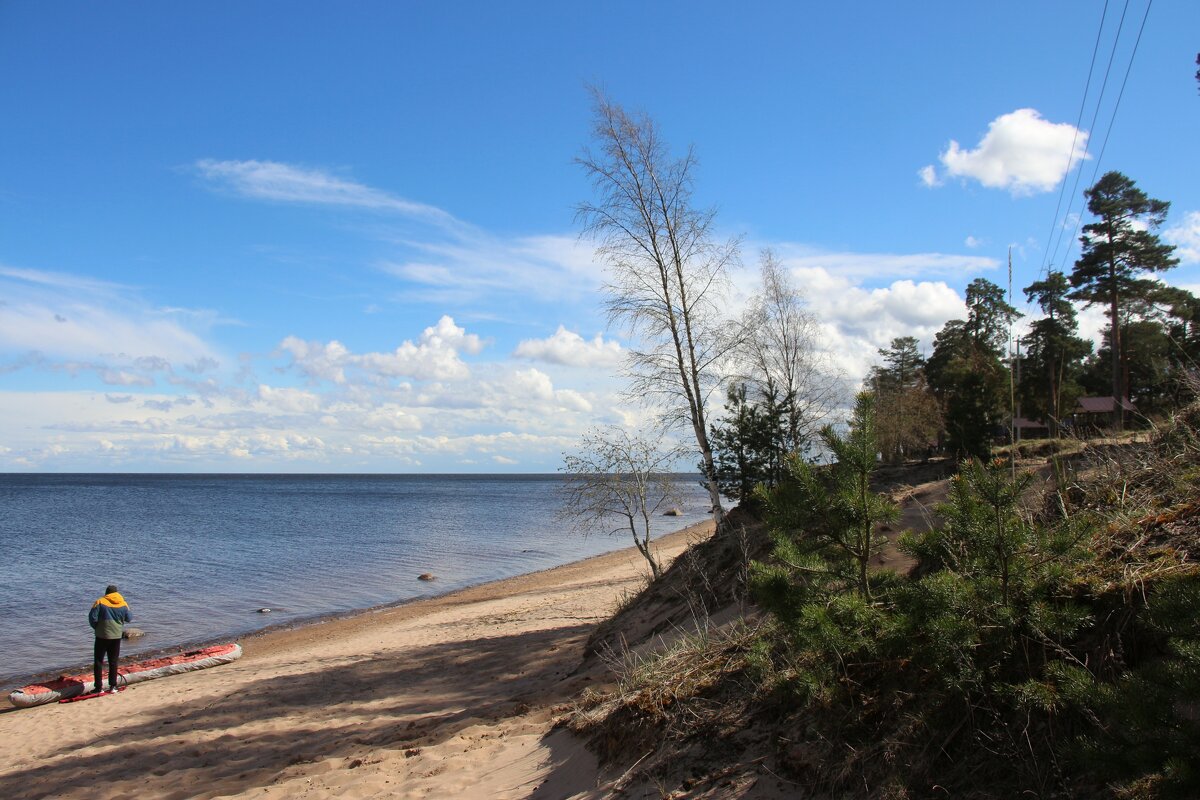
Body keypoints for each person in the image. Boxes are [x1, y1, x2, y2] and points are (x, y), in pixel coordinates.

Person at [89, 584, 132, 694]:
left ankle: (99, 687)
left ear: (107, 593)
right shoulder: (123, 603)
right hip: (116, 636)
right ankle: (113, 686)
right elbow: (129, 618)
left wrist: (97, 628)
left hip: (101, 636)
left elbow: (92, 618)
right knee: (113, 661)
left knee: (99, 661)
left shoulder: (100, 602)